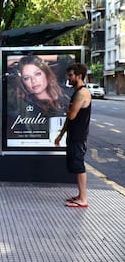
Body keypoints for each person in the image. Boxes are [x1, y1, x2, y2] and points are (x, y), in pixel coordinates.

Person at [55, 63, 91, 208]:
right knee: (76, 165)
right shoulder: (77, 92)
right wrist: (61, 135)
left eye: (70, 75)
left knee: (78, 165)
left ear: (79, 76)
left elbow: (71, 115)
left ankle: (83, 199)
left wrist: (64, 107)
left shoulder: (82, 93)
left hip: (79, 135)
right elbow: (70, 119)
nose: (68, 78)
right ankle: (80, 195)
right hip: (74, 134)